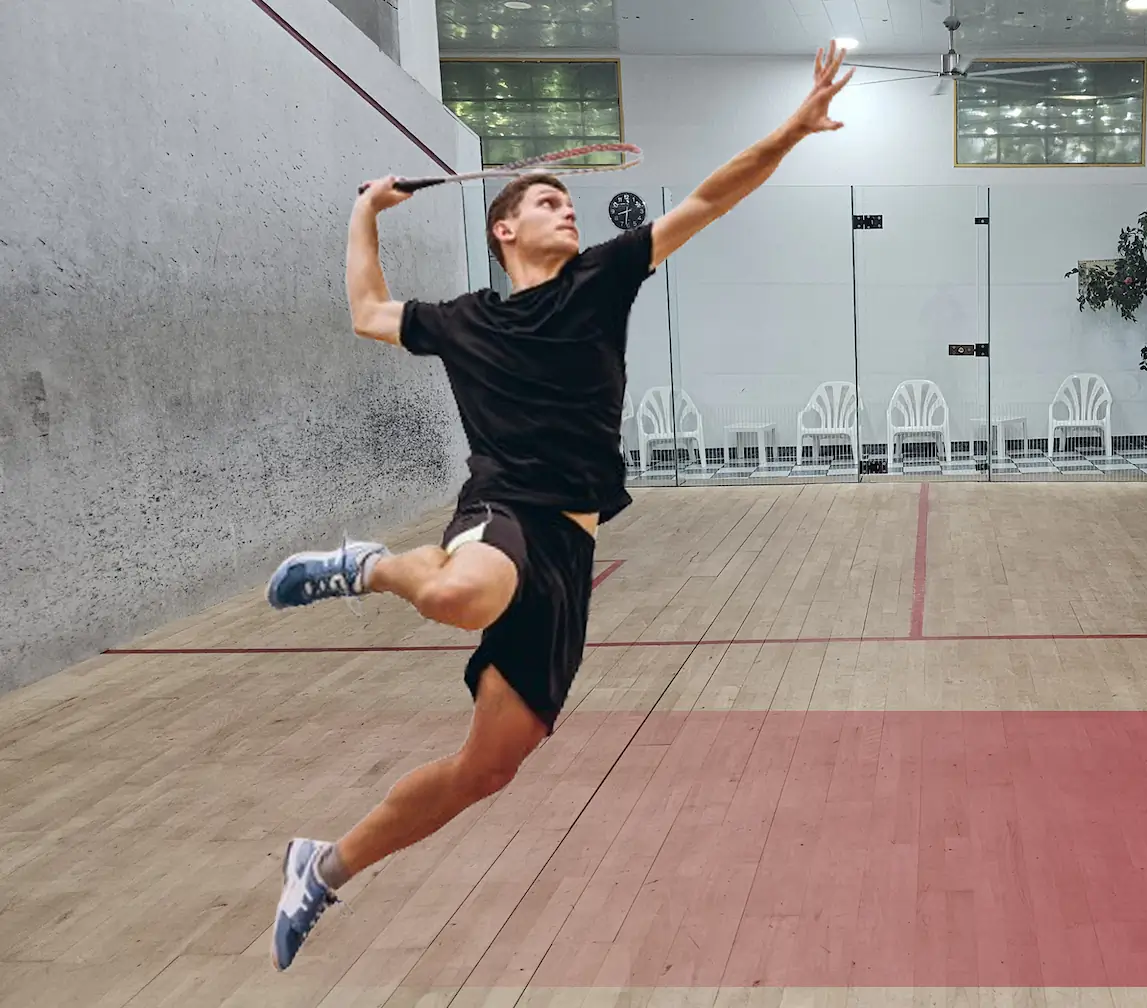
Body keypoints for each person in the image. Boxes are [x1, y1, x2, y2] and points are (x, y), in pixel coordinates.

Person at [261, 43, 853, 971]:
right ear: (504, 229)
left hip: (571, 552)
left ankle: (322, 867)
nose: (565, 208)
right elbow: (367, 310)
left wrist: (791, 130)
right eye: (546, 201)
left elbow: (711, 198)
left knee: (488, 768)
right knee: (460, 594)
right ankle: (365, 566)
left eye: (567, 201)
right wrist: (363, 211)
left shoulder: (600, 282)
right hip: (503, 510)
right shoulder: (465, 320)